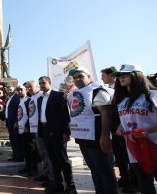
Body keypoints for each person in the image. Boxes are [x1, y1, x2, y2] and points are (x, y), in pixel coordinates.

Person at [112, 64, 157, 194]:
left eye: (125, 74)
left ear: (137, 75)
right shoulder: (121, 99)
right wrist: (120, 128)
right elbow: (126, 120)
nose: (121, 78)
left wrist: (147, 130)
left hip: (155, 146)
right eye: (119, 76)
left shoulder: (155, 95)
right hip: (133, 149)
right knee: (144, 184)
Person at [67, 66, 118, 194]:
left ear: (89, 78)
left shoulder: (97, 91)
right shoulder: (74, 93)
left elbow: (105, 113)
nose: (77, 79)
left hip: (96, 139)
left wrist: (105, 136)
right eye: (75, 77)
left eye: (81, 76)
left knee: (105, 171)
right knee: (95, 170)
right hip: (83, 138)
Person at [37, 76, 77, 194]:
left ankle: (70, 185)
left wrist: (66, 131)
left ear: (49, 83)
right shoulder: (40, 99)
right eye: (40, 83)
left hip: (57, 132)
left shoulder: (58, 95)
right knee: (52, 159)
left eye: (43, 83)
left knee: (62, 159)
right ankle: (58, 184)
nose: (41, 85)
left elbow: (65, 115)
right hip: (45, 131)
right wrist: (41, 132)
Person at [102, 67, 138, 192]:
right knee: (119, 153)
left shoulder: (126, 89)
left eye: (104, 75)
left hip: (126, 126)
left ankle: (135, 182)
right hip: (115, 127)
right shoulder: (107, 89)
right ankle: (125, 177)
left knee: (130, 155)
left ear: (111, 76)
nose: (102, 78)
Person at [26, 80, 54, 186]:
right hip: (35, 129)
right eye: (28, 87)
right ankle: (46, 173)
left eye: (31, 87)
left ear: (37, 87)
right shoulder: (32, 98)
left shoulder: (42, 96)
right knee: (42, 153)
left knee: (48, 153)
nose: (29, 89)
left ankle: (52, 177)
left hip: (43, 129)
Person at [2, 86, 23, 162]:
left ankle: (19, 156)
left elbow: (19, 111)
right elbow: (6, 109)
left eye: (10, 89)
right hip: (9, 122)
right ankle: (15, 155)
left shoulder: (16, 98)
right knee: (12, 140)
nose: (9, 91)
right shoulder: (9, 98)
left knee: (16, 140)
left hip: (14, 123)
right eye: (8, 90)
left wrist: (16, 121)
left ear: (14, 90)